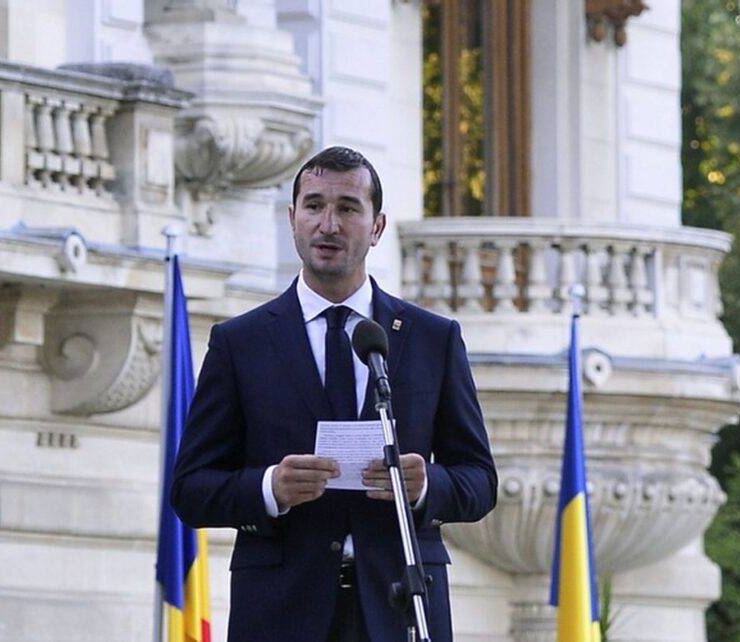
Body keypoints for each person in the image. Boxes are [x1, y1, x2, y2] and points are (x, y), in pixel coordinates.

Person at [171, 146, 497, 641]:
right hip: (280, 613)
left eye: (347, 208)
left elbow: (480, 481)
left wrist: (426, 484)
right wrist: (270, 488)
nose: (328, 224)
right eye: (314, 206)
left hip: (399, 609)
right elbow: (191, 489)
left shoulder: (432, 339)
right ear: (292, 218)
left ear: (377, 227)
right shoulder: (241, 343)